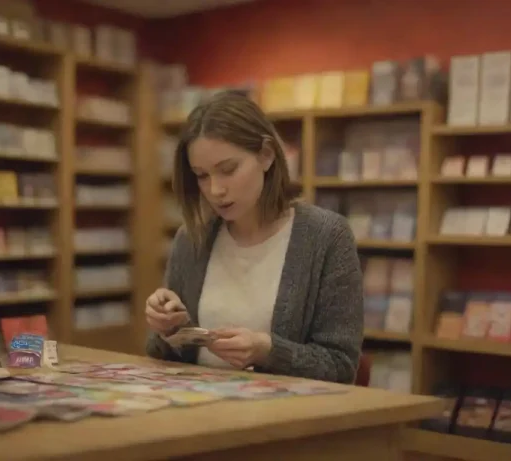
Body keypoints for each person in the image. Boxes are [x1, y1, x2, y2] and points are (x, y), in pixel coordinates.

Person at [145, 91, 363, 384]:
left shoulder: (326, 237)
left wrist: (268, 351)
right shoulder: (191, 239)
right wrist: (168, 328)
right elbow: (163, 359)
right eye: (201, 175)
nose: (215, 190)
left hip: (282, 422)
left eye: (228, 170)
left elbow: (341, 366)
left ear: (266, 155)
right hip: (198, 413)